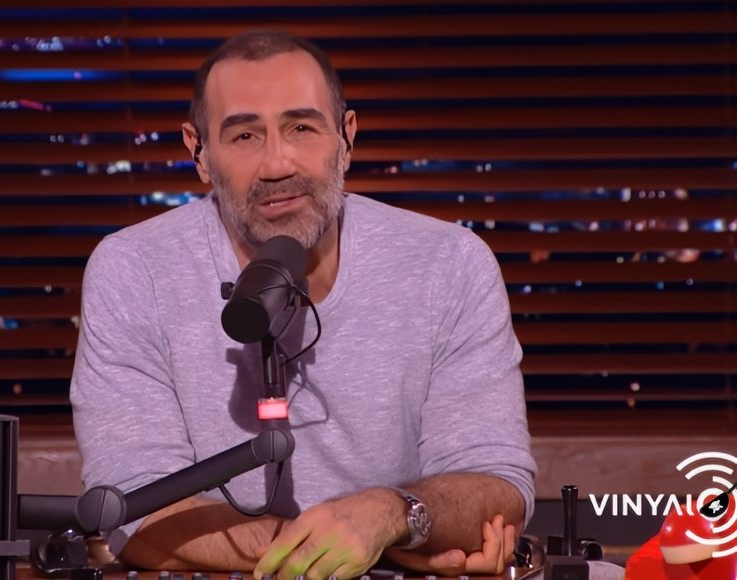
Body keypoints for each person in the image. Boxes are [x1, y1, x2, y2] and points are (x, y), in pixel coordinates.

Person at [71, 30, 536, 579]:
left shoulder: (450, 263)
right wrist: (359, 547)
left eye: (301, 127)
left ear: (346, 137)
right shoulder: (134, 270)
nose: (277, 164)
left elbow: (497, 485)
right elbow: (134, 507)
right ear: (199, 153)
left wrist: (388, 515)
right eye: (245, 135)